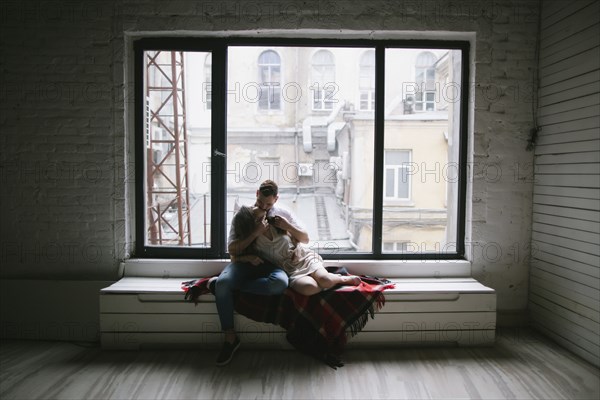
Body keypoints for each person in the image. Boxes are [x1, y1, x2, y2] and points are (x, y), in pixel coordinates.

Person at [211, 180, 309, 366]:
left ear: (276, 200)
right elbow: (232, 249)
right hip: (244, 262)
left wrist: (292, 237)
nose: (264, 207)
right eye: (260, 202)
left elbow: (303, 237)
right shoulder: (243, 215)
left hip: (271, 265)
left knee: (280, 284)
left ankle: (224, 286)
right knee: (223, 284)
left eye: (269, 204)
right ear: (256, 193)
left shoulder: (281, 213)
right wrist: (255, 234)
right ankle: (230, 338)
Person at [235, 205, 361, 296]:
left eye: (263, 217)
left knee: (325, 280)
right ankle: (326, 282)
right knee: (310, 288)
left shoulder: (275, 225)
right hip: (290, 271)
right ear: (250, 225)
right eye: (258, 220)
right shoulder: (252, 242)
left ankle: (340, 279)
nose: (263, 222)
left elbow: (301, 239)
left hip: (304, 258)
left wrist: (296, 247)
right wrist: (248, 256)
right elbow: (234, 255)